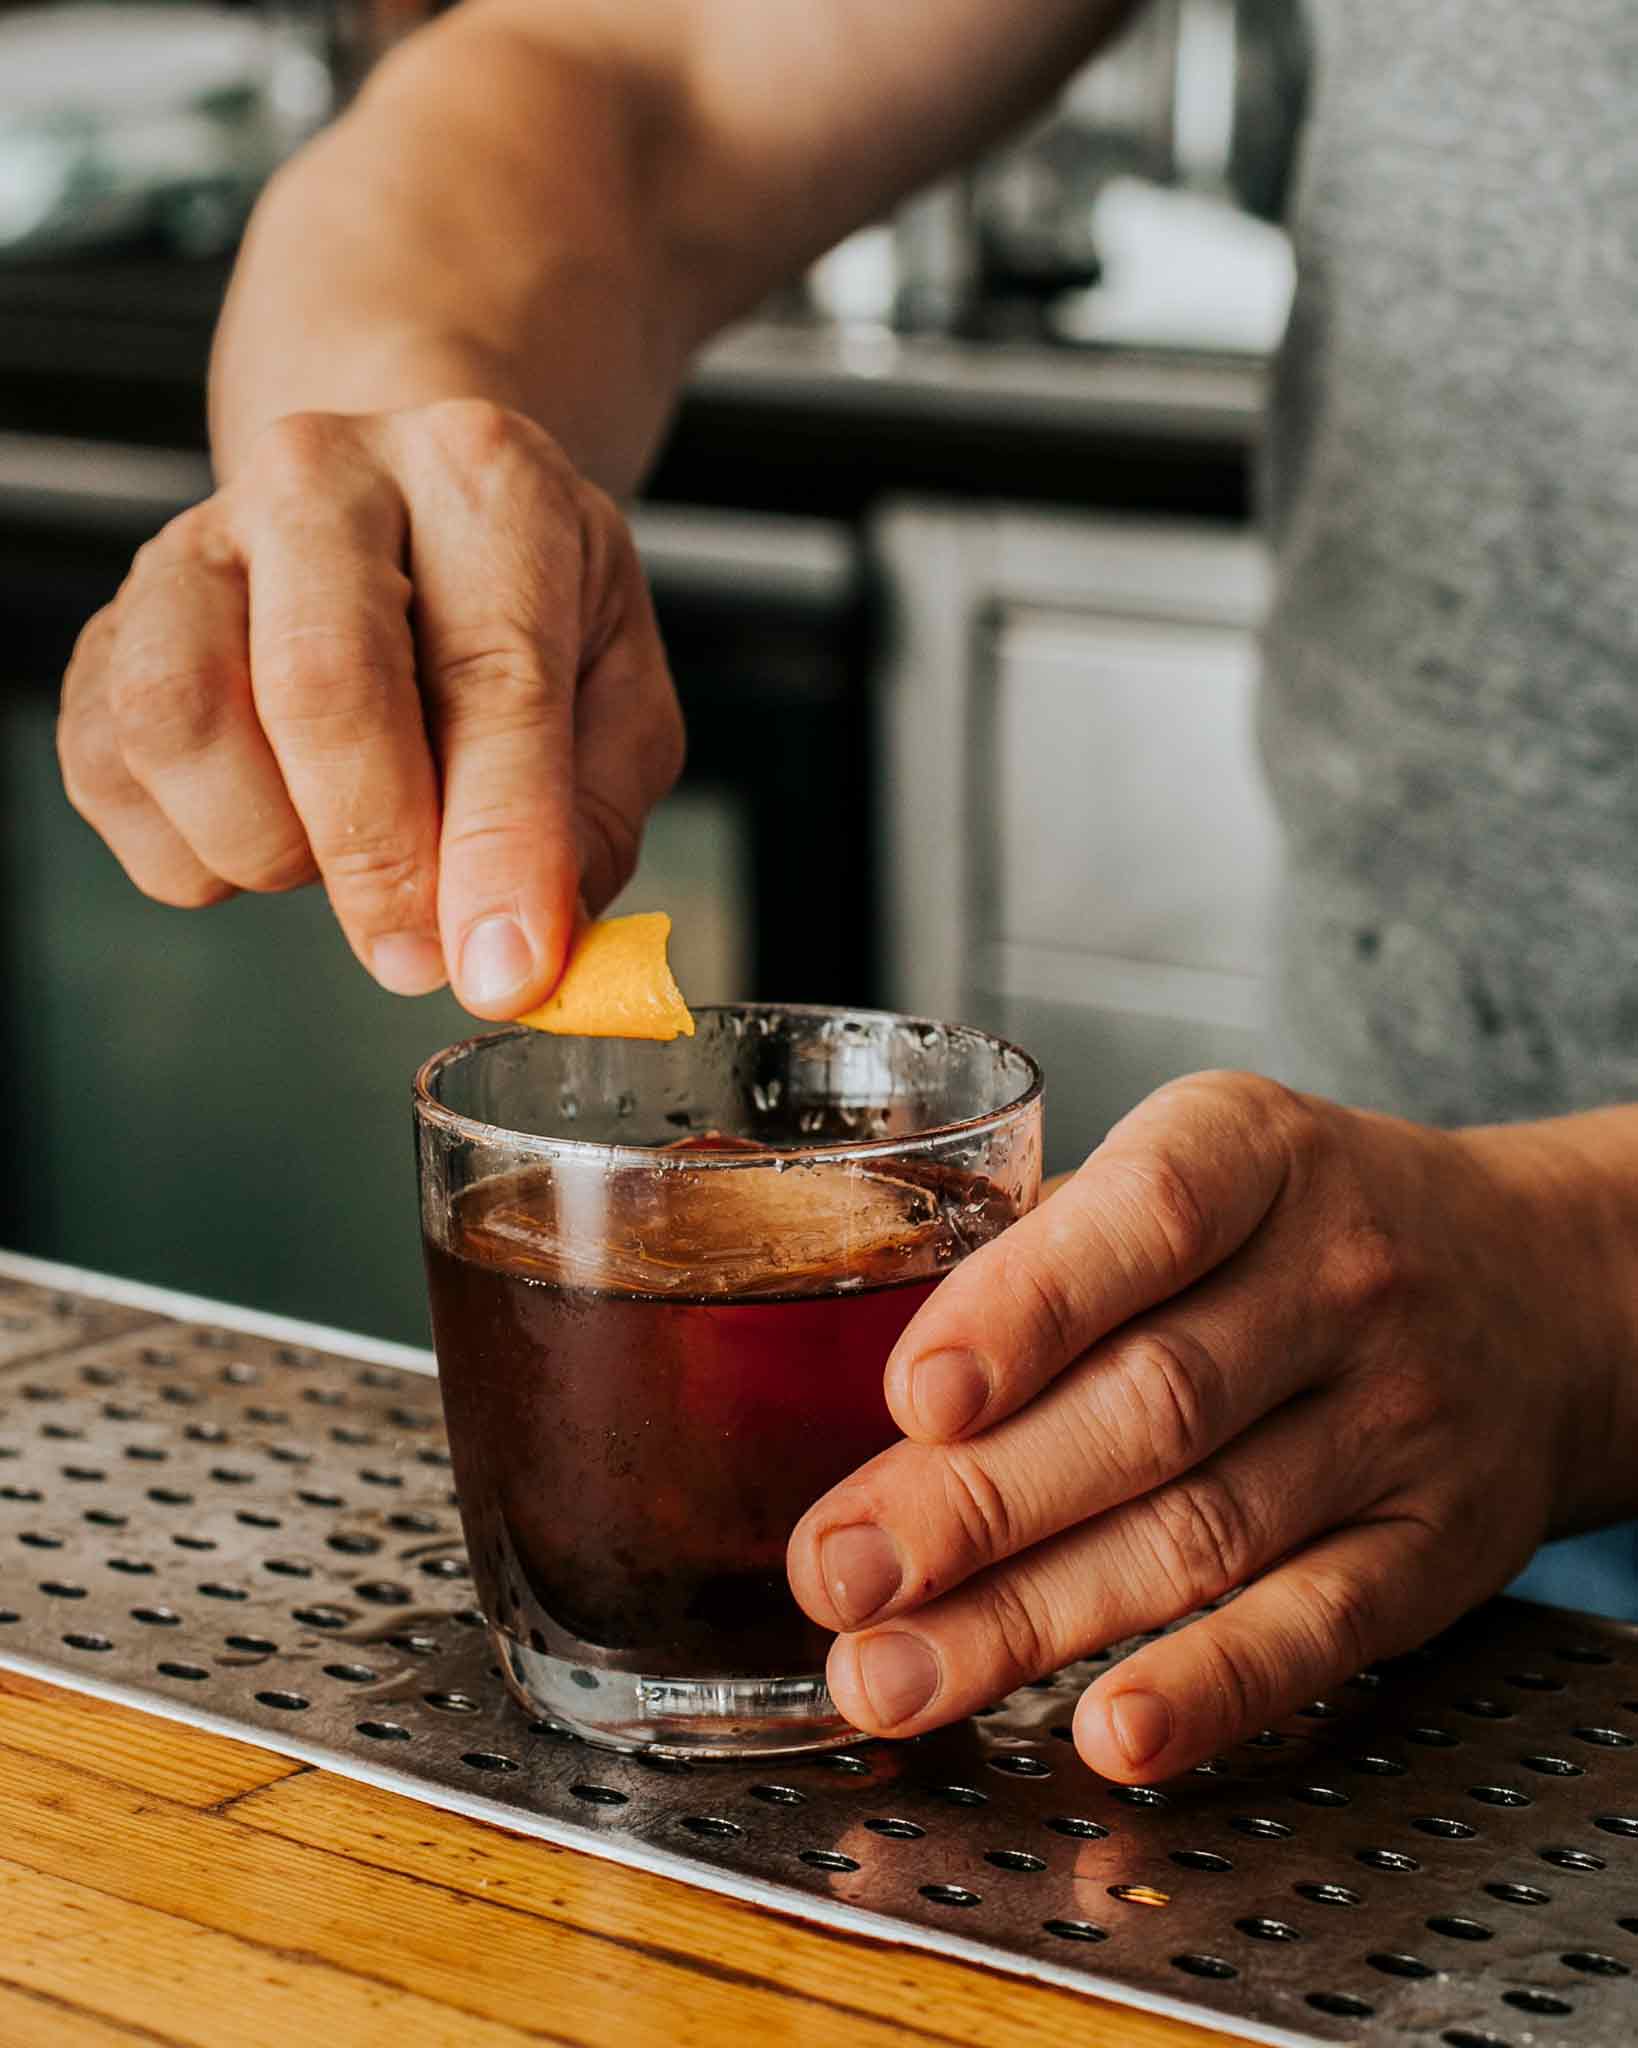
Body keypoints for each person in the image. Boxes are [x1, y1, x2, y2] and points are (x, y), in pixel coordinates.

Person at [56, 0, 1637, 1782]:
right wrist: (394, 464)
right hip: (1347, 1434)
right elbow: (629, 79)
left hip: (1484, 1356)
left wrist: (1578, 1284)